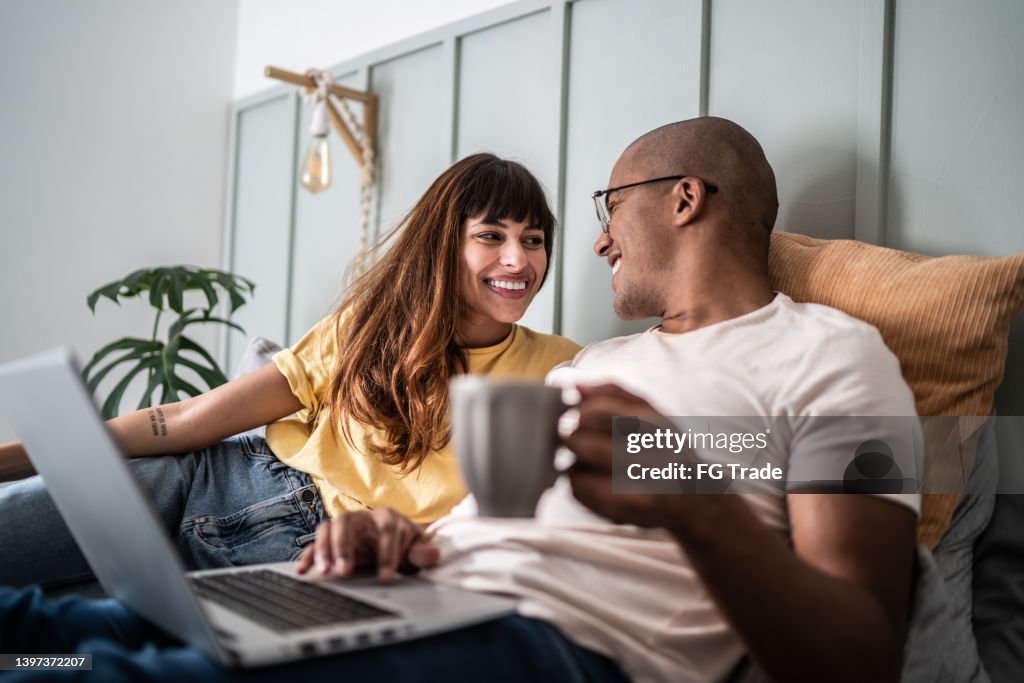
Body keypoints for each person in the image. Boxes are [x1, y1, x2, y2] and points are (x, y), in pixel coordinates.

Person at [0, 117, 919, 683]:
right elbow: (485, 523)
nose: (597, 242)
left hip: (544, 643)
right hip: (382, 591)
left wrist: (694, 509)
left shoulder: (835, 357)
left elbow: (863, 652)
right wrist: (392, 536)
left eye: (609, 206)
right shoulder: (584, 370)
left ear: (684, 198)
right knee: (50, 638)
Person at [0, 153, 581, 592]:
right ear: (441, 247)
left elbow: (667, 462)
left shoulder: (562, 366)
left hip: (321, 555)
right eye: (491, 236)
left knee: (72, 654)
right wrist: (20, 457)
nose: (520, 261)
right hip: (219, 479)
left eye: (534, 241)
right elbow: (186, 418)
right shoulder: (369, 328)